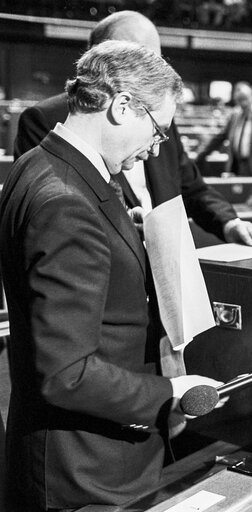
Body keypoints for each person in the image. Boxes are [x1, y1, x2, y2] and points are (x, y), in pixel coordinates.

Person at [0, 41, 223, 511]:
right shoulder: (66, 200)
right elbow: (66, 373)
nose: (156, 146)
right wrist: (170, 394)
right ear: (122, 106)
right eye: (158, 130)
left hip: (77, 456)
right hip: (81, 469)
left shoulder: (43, 163)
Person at [13, 10, 252, 248]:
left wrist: (229, 222)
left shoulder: (158, 115)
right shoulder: (44, 120)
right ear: (104, 59)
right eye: (142, 59)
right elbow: (57, 221)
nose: (156, 73)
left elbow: (191, 187)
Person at [195, 81, 252, 208]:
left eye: (245, 98)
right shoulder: (234, 116)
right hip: (238, 168)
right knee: (238, 205)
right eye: (239, 99)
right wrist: (200, 156)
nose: (242, 102)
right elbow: (219, 139)